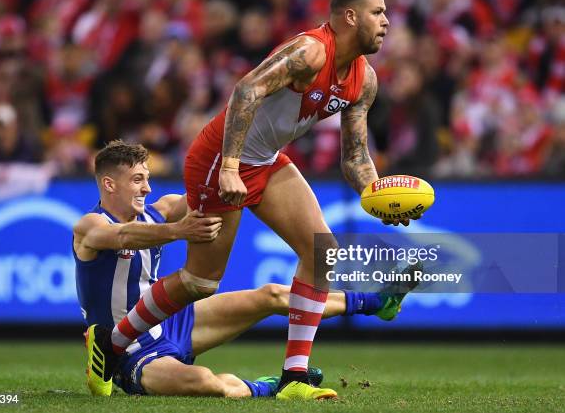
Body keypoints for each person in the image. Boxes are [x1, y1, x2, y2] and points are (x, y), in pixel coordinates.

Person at [89, 0, 419, 400]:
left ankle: (293, 377)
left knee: (321, 251)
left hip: (265, 161)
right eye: (378, 12)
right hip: (220, 156)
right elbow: (246, 89)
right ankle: (111, 346)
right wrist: (228, 167)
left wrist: (379, 196)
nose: (387, 21)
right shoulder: (310, 51)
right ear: (350, 16)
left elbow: (355, 157)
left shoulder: (364, 80)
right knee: (199, 282)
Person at [77, 140, 417, 397]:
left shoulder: (161, 209)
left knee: (271, 295)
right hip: (128, 352)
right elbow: (120, 235)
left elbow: (203, 194)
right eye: (138, 180)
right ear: (110, 184)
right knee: (206, 384)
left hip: (173, 322)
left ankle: (379, 303)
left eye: (148, 179)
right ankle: (266, 388)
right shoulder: (89, 225)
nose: (147, 188)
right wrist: (178, 232)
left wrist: (235, 165)